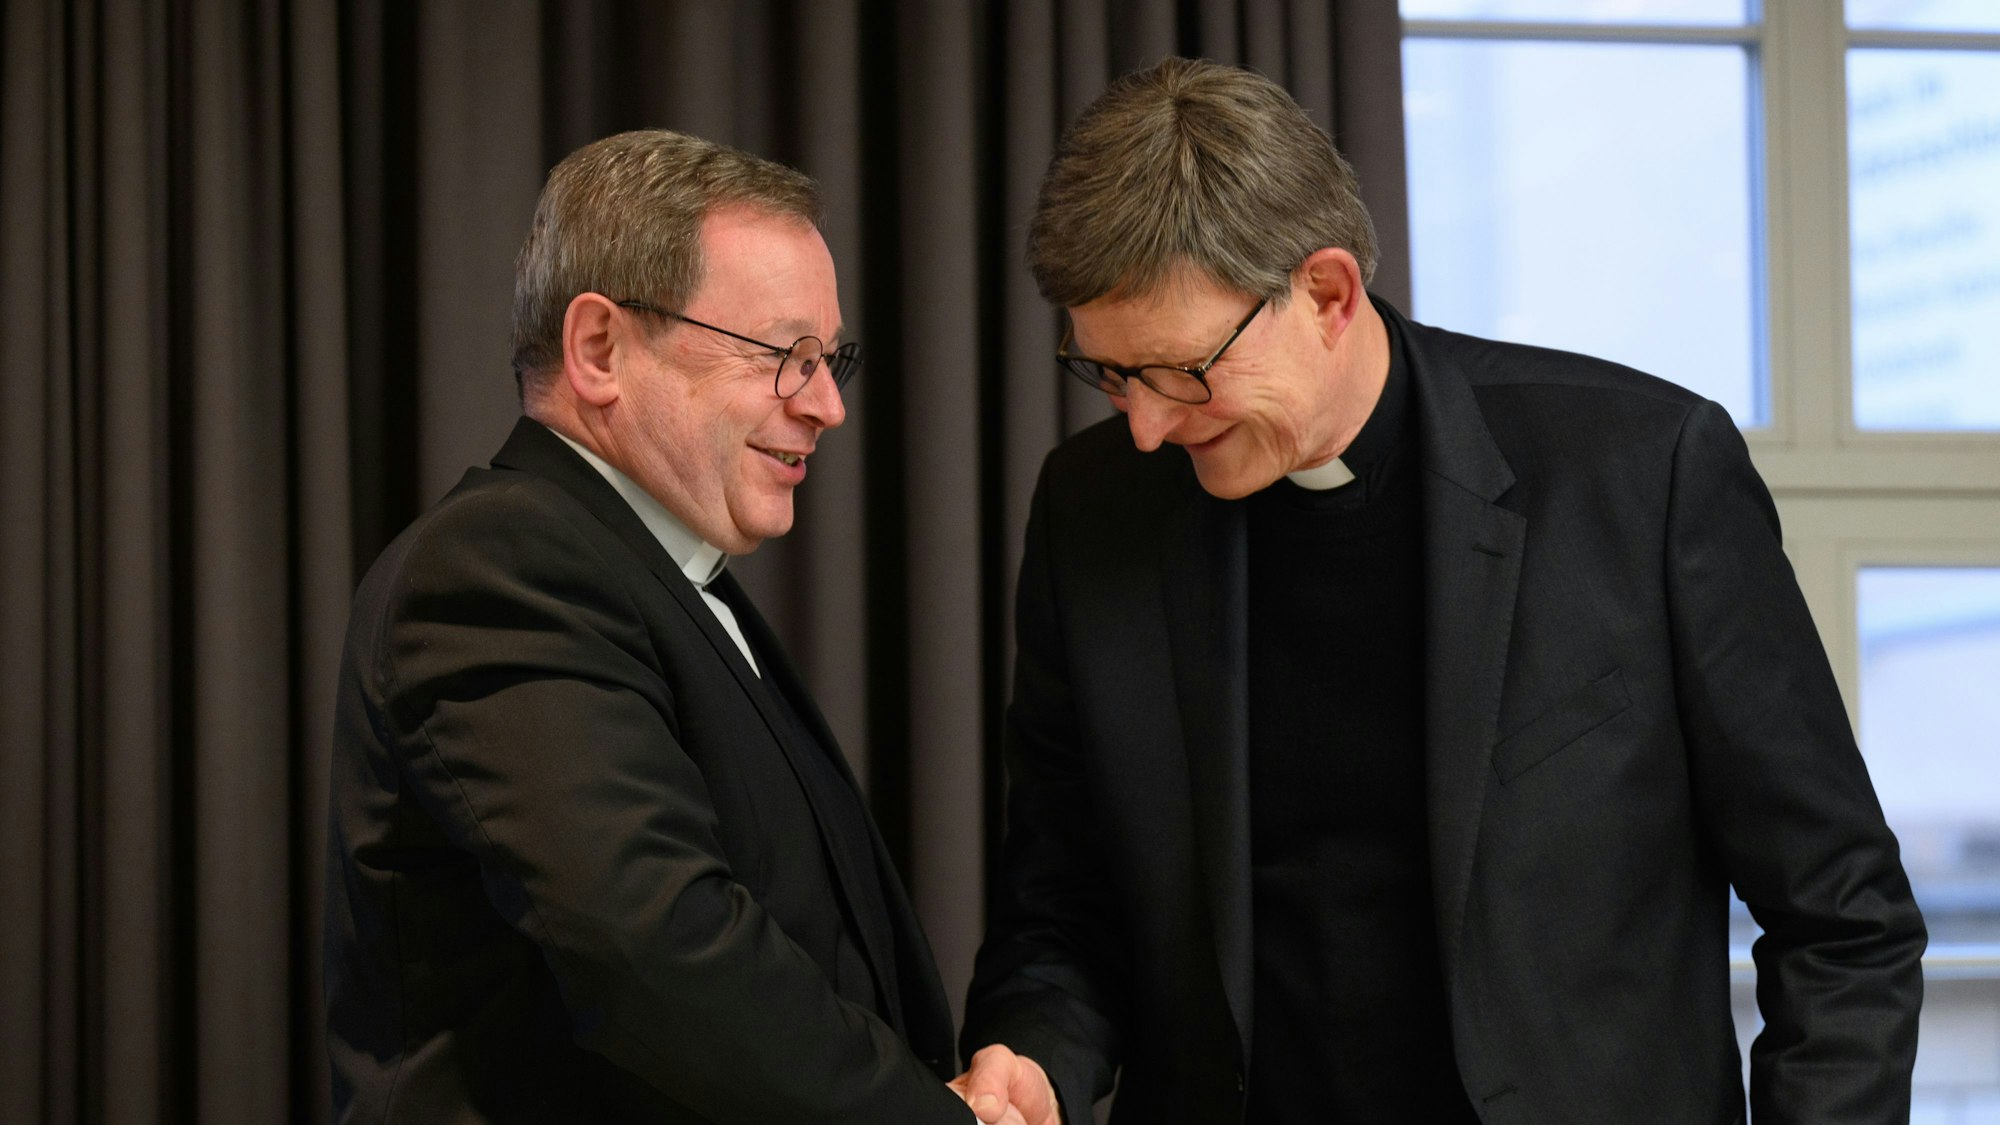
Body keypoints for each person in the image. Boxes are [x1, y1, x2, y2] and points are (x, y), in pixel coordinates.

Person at [961, 58, 1926, 1124]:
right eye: (1110, 374)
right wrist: (1034, 1053)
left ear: (1325, 293)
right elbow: (1061, 898)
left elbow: (1839, 916)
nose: (1143, 426)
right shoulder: (1093, 507)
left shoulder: (1640, 473)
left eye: (1183, 373)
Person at [323, 129, 1041, 1124]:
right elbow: (658, 953)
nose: (827, 405)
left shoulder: (643, 568)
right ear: (599, 349)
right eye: (785, 357)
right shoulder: (496, 566)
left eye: (831, 359)